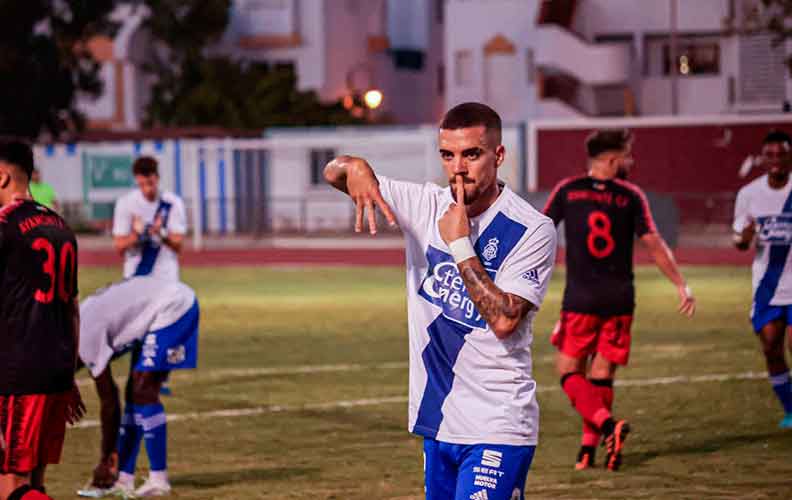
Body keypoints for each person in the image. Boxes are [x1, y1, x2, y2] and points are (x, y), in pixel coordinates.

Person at [324, 102, 557, 500]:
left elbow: (504, 320)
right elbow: (333, 171)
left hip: (498, 423)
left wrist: (460, 243)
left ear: (498, 156)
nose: (458, 168)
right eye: (448, 155)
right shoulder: (425, 204)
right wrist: (355, 165)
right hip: (440, 422)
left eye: (472, 154)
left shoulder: (532, 229)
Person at [543, 129, 696, 471]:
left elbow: (539, 230)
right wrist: (681, 284)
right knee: (602, 374)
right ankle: (590, 452)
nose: (631, 162)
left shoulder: (568, 190)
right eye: (627, 156)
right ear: (612, 160)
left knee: (568, 371)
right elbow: (654, 243)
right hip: (621, 300)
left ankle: (607, 426)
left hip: (581, 298)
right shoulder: (631, 196)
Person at [0, 139, 84, 500]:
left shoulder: (4, 224)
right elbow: (72, 309)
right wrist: (69, 373)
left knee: (12, 487)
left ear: (2, 178)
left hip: (20, 374)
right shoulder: (60, 225)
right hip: (54, 372)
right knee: (33, 483)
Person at [76, 276, 200, 498]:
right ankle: (124, 479)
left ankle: (159, 480)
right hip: (155, 306)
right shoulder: (77, 325)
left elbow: (109, 401)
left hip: (174, 306)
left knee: (143, 391)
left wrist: (106, 456)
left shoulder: (84, 339)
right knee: (135, 393)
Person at [733, 129, 792, 429]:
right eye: (770, 155)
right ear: (762, 159)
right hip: (768, 286)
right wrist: (745, 236)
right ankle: (790, 410)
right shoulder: (749, 194)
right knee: (771, 347)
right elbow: (740, 242)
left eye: (782, 153)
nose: (776, 160)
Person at [112, 156, 187, 281]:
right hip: (135, 275)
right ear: (136, 180)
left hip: (165, 277)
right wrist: (137, 234)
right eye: (142, 184)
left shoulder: (172, 203)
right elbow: (120, 247)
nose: (147, 189)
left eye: (150, 183)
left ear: (157, 178)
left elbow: (178, 246)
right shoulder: (125, 203)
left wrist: (161, 233)